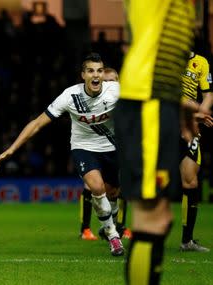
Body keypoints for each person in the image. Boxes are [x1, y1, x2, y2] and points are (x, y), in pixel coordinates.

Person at [0, 53, 125, 256]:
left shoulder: (115, 91)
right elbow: (37, 123)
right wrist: (12, 148)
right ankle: (113, 236)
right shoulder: (70, 96)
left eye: (99, 70)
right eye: (90, 70)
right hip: (84, 148)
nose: (96, 75)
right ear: (83, 75)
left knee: (113, 192)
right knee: (97, 188)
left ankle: (109, 222)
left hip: (112, 148)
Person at [115, 1, 203, 283]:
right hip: (146, 102)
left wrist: (178, 107)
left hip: (158, 103)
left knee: (159, 217)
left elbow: (165, 55)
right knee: (151, 217)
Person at [79, 67, 132, 241]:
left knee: (118, 188)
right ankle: (85, 228)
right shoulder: (96, 102)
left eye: (113, 81)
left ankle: (118, 226)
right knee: (91, 186)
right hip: (95, 148)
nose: (110, 84)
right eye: (106, 81)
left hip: (119, 149)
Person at [179, 51, 213, 252]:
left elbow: (209, 94)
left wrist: (199, 113)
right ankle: (121, 230)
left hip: (189, 125)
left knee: (191, 181)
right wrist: (196, 112)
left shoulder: (201, 62)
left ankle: (187, 240)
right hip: (164, 123)